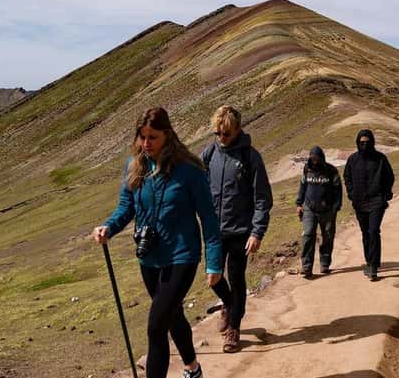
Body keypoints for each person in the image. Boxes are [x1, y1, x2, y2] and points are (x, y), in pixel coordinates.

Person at [92, 107, 221, 378]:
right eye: (142, 137)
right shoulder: (135, 166)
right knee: (172, 316)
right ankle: (193, 368)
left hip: (182, 256)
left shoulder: (190, 171)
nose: (146, 144)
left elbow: (208, 219)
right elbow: (125, 209)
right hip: (149, 258)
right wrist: (109, 227)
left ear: (168, 135)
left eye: (152, 137)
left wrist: (214, 262)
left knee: (155, 327)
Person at [201, 105, 273, 353]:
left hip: (241, 232)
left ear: (238, 130)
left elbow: (262, 197)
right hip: (213, 231)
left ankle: (234, 328)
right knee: (213, 277)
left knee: (237, 277)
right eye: (218, 134)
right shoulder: (210, 153)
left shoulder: (251, 157)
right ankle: (229, 305)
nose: (222, 139)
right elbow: (196, 183)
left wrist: (257, 232)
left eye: (226, 134)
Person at [344, 129, 394, 281]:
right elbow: (347, 176)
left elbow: (389, 177)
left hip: (376, 201)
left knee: (373, 231)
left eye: (367, 142)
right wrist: (351, 193)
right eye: (362, 142)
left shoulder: (380, 159)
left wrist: (385, 194)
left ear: (372, 142)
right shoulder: (353, 160)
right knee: (365, 233)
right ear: (358, 143)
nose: (364, 145)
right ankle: (369, 260)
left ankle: (373, 266)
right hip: (359, 202)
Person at [295, 146, 343, 278]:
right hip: (309, 208)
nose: (314, 161)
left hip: (327, 210)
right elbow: (302, 186)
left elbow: (338, 189)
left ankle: (324, 263)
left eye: (317, 158)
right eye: (312, 158)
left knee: (327, 236)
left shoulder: (331, 171)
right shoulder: (306, 169)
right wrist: (299, 204)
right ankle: (306, 266)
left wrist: (336, 207)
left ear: (322, 158)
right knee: (308, 235)